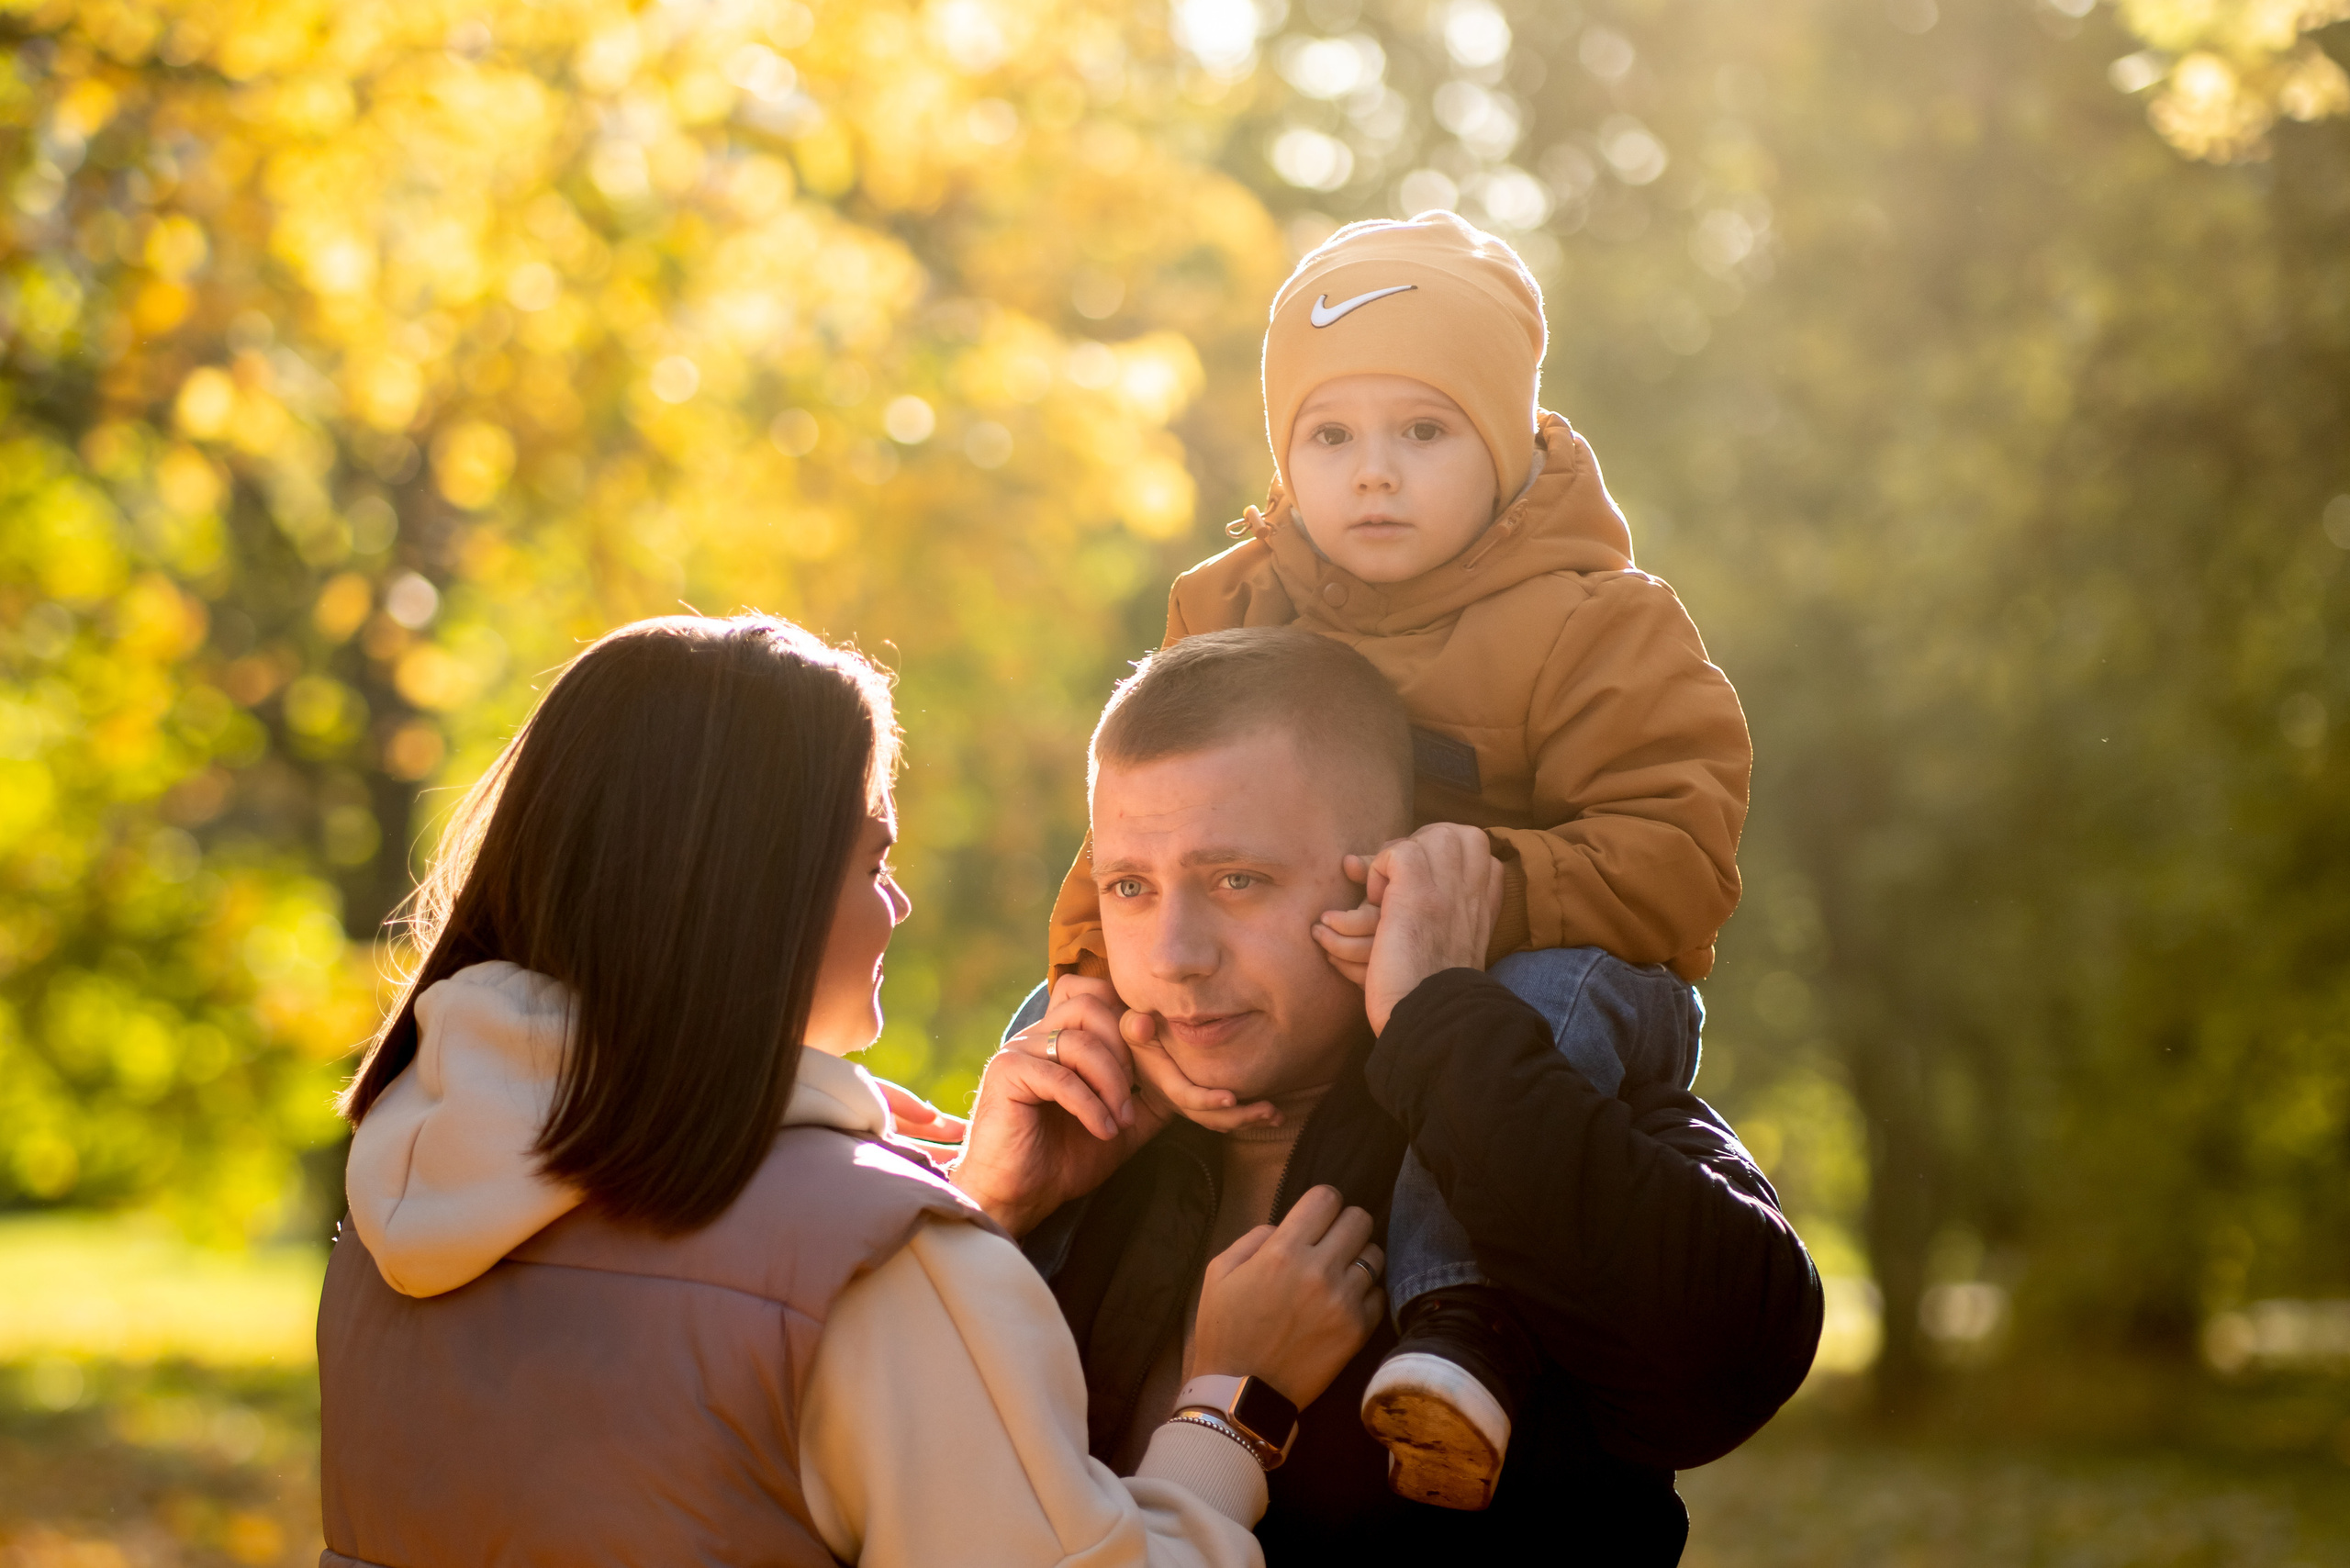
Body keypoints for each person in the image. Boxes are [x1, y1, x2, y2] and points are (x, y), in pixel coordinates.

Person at [316, 612, 1388, 1568]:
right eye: (872, 861)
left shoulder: (397, 1210)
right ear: (755, 890)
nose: (898, 905)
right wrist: (1231, 1403)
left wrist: (982, 1212)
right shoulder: (878, 1270)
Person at [1038, 209, 1752, 1507]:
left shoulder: (1596, 622)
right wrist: (1096, 982)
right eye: (1330, 437)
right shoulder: (1229, 600)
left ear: (1506, 444)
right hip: (1332, 971)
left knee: (1512, 1016)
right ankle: (1021, 1264)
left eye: (1423, 432)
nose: (1373, 475)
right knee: (1054, 1016)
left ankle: (1463, 1326)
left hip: (1554, 959)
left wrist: (1491, 897)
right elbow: (1142, 822)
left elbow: (1678, 845)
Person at [954, 629, 1820, 1562]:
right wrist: (987, 1213)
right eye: (1129, 886)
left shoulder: (1541, 1077)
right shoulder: (1064, 1136)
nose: (1174, 956)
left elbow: (1723, 1369)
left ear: (1384, 881)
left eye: (1237, 880)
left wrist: (1438, 1027)